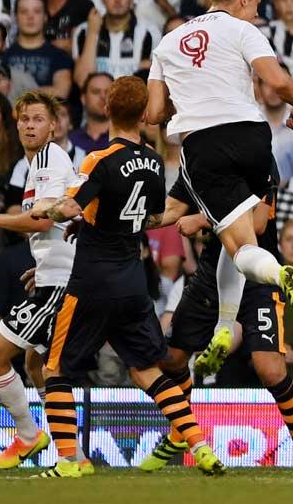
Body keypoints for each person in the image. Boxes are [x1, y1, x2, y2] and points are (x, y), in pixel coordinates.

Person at [33, 75, 222, 479]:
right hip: (133, 280)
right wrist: (94, 221)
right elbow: (150, 216)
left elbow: (70, 207)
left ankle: (69, 461)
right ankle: (200, 445)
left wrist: (45, 209)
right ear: (143, 115)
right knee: (147, 370)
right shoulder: (153, 160)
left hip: (92, 281)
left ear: (105, 110)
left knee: (56, 370)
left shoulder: (97, 160)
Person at [145, 0, 293, 376]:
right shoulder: (241, 29)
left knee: (239, 246)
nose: (257, 13)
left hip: (205, 144)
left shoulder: (167, 43)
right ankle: (224, 325)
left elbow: (152, 113)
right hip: (254, 139)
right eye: (257, 4)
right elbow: (275, 80)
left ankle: (278, 273)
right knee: (236, 233)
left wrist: (182, 106)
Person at [143, 161, 293, 476]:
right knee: (171, 359)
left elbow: (258, 224)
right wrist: (126, 218)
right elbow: (172, 210)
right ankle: (178, 434)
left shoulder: (257, 156)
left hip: (257, 276)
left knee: (271, 371)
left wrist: (201, 218)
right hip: (210, 274)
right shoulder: (196, 159)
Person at [0, 91, 86, 470]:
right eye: (24, 119)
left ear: (54, 125)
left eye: (38, 119)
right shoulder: (39, 163)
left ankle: (29, 435)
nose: (30, 126)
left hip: (61, 285)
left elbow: (46, 218)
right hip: (56, 275)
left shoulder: (51, 160)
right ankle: (76, 457)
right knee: (40, 367)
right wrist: (45, 261)